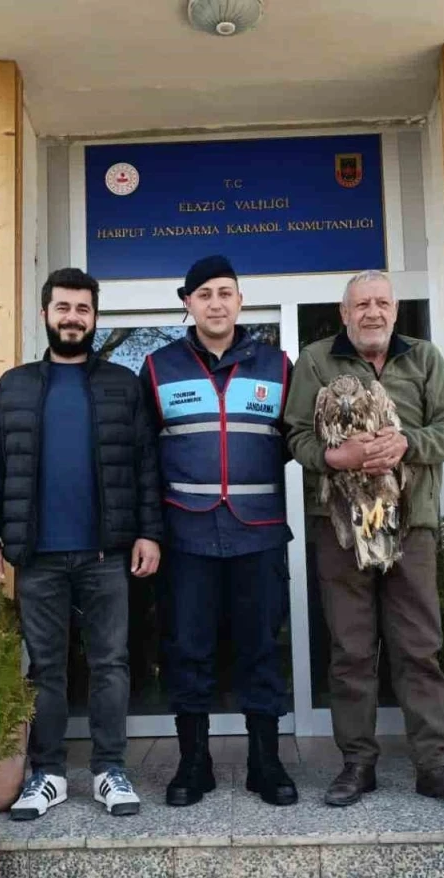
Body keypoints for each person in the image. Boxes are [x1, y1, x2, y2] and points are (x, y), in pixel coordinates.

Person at [284, 269, 444, 811]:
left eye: (381, 303)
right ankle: (358, 764)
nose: (372, 313)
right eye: (361, 305)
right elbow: (296, 436)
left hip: (410, 524)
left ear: (394, 310)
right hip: (341, 527)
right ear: (344, 313)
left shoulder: (424, 359)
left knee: (420, 647)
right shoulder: (315, 361)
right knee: (351, 649)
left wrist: (406, 444)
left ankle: (434, 766)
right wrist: (337, 457)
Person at [0, 267, 163, 820]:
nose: (73, 318)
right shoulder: (15, 386)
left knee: (111, 664)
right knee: (45, 668)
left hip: (106, 554)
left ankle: (109, 770)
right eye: (64, 308)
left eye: (83, 309)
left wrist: (149, 532)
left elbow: (146, 466)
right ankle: (48, 773)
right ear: (45, 315)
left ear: (94, 317)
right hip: (39, 556)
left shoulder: (122, 385)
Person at [139, 255, 298, 807]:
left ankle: (265, 763)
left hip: (259, 534)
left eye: (225, 293)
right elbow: (143, 459)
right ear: (188, 303)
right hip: (187, 536)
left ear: (240, 301)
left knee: (261, 649)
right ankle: (194, 763)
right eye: (204, 294)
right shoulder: (157, 367)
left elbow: (299, 442)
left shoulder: (278, 366)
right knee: (188, 650)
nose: (216, 303)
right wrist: (148, 530)